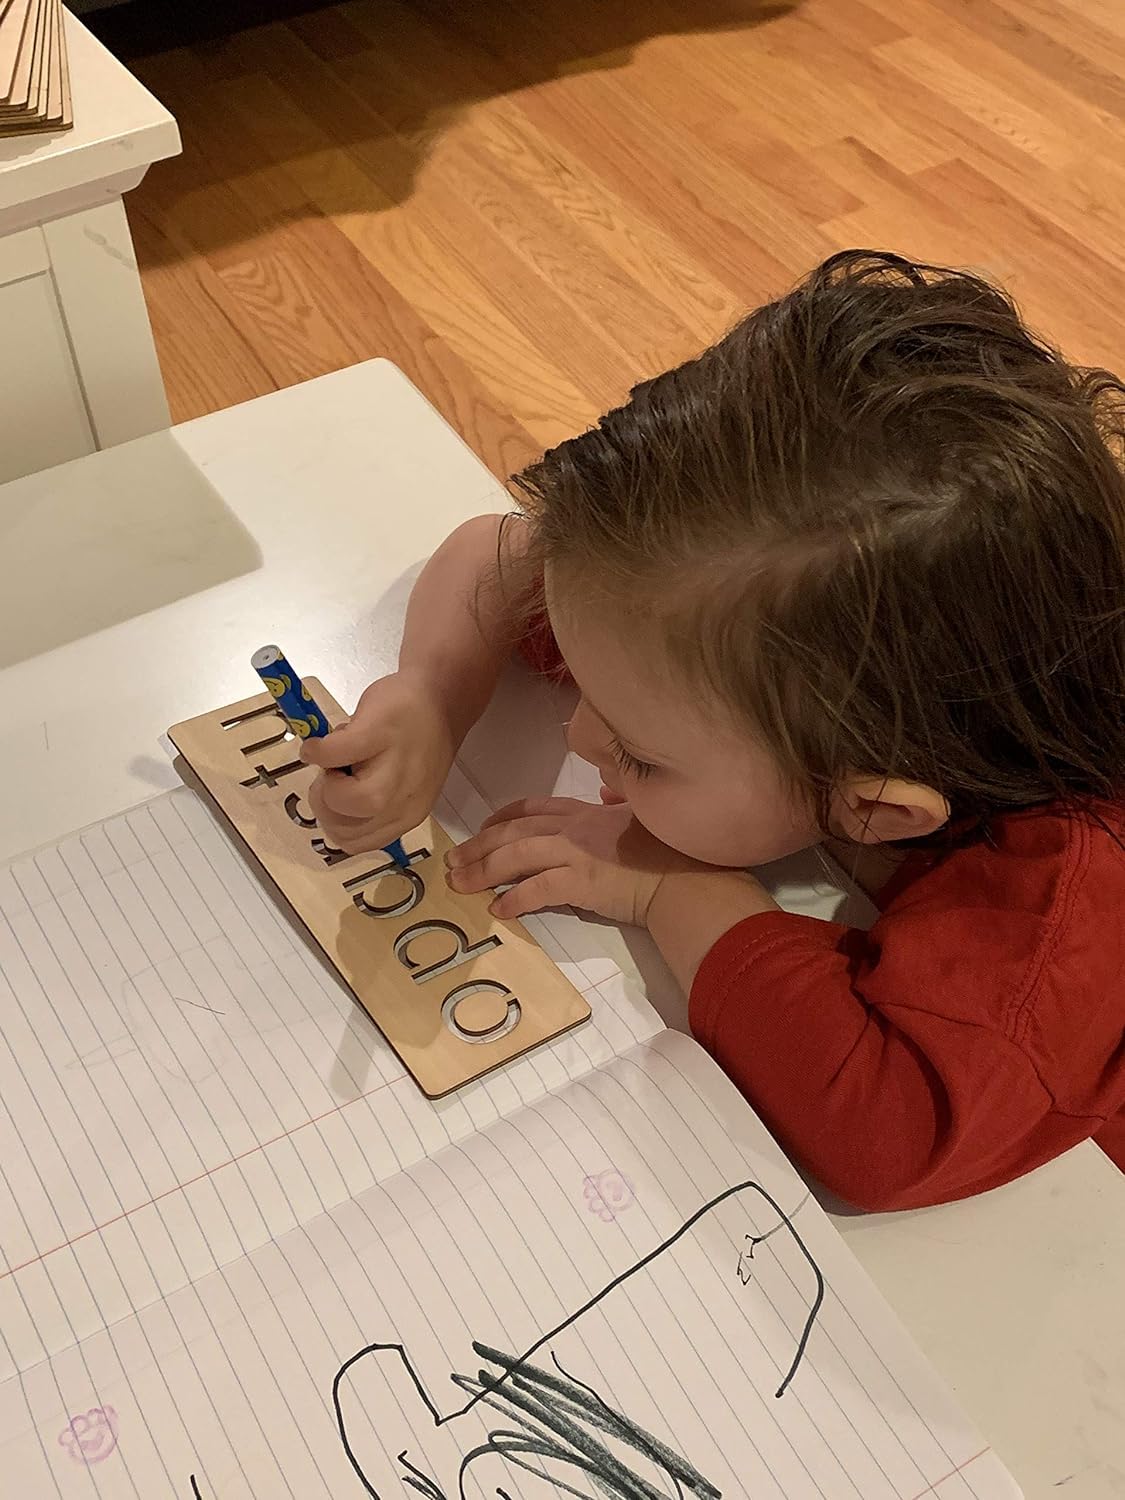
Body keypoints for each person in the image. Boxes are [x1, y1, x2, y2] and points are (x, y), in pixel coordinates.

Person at [303, 251, 1125, 1212]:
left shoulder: (1059, 900)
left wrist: (674, 888)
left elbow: (885, 1136)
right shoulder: (777, 642)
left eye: (642, 758)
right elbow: (500, 547)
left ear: (871, 806)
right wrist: (435, 693)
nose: (577, 735)